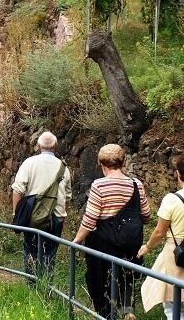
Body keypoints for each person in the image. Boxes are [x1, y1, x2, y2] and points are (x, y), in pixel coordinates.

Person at [72, 144, 151, 320]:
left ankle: (105, 314)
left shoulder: (99, 185)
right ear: (123, 163)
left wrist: (76, 241)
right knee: (127, 277)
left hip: (103, 242)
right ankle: (128, 311)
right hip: (130, 243)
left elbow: (90, 219)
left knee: (101, 280)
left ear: (102, 164)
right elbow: (145, 215)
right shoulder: (136, 184)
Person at [11, 131, 72, 284]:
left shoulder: (29, 163)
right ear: (56, 146)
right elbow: (67, 197)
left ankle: (32, 288)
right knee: (50, 254)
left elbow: (18, 190)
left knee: (30, 251)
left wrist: (16, 213)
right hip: (56, 218)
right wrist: (62, 216)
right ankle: (47, 288)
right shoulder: (63, 168)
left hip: (33, 217)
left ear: (38, 146)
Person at [137, 153, 184, 319]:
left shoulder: (172, 199)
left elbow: (159, 232)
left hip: (177, 255)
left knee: (173, 304)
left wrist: (147, 247)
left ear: (178, 173)